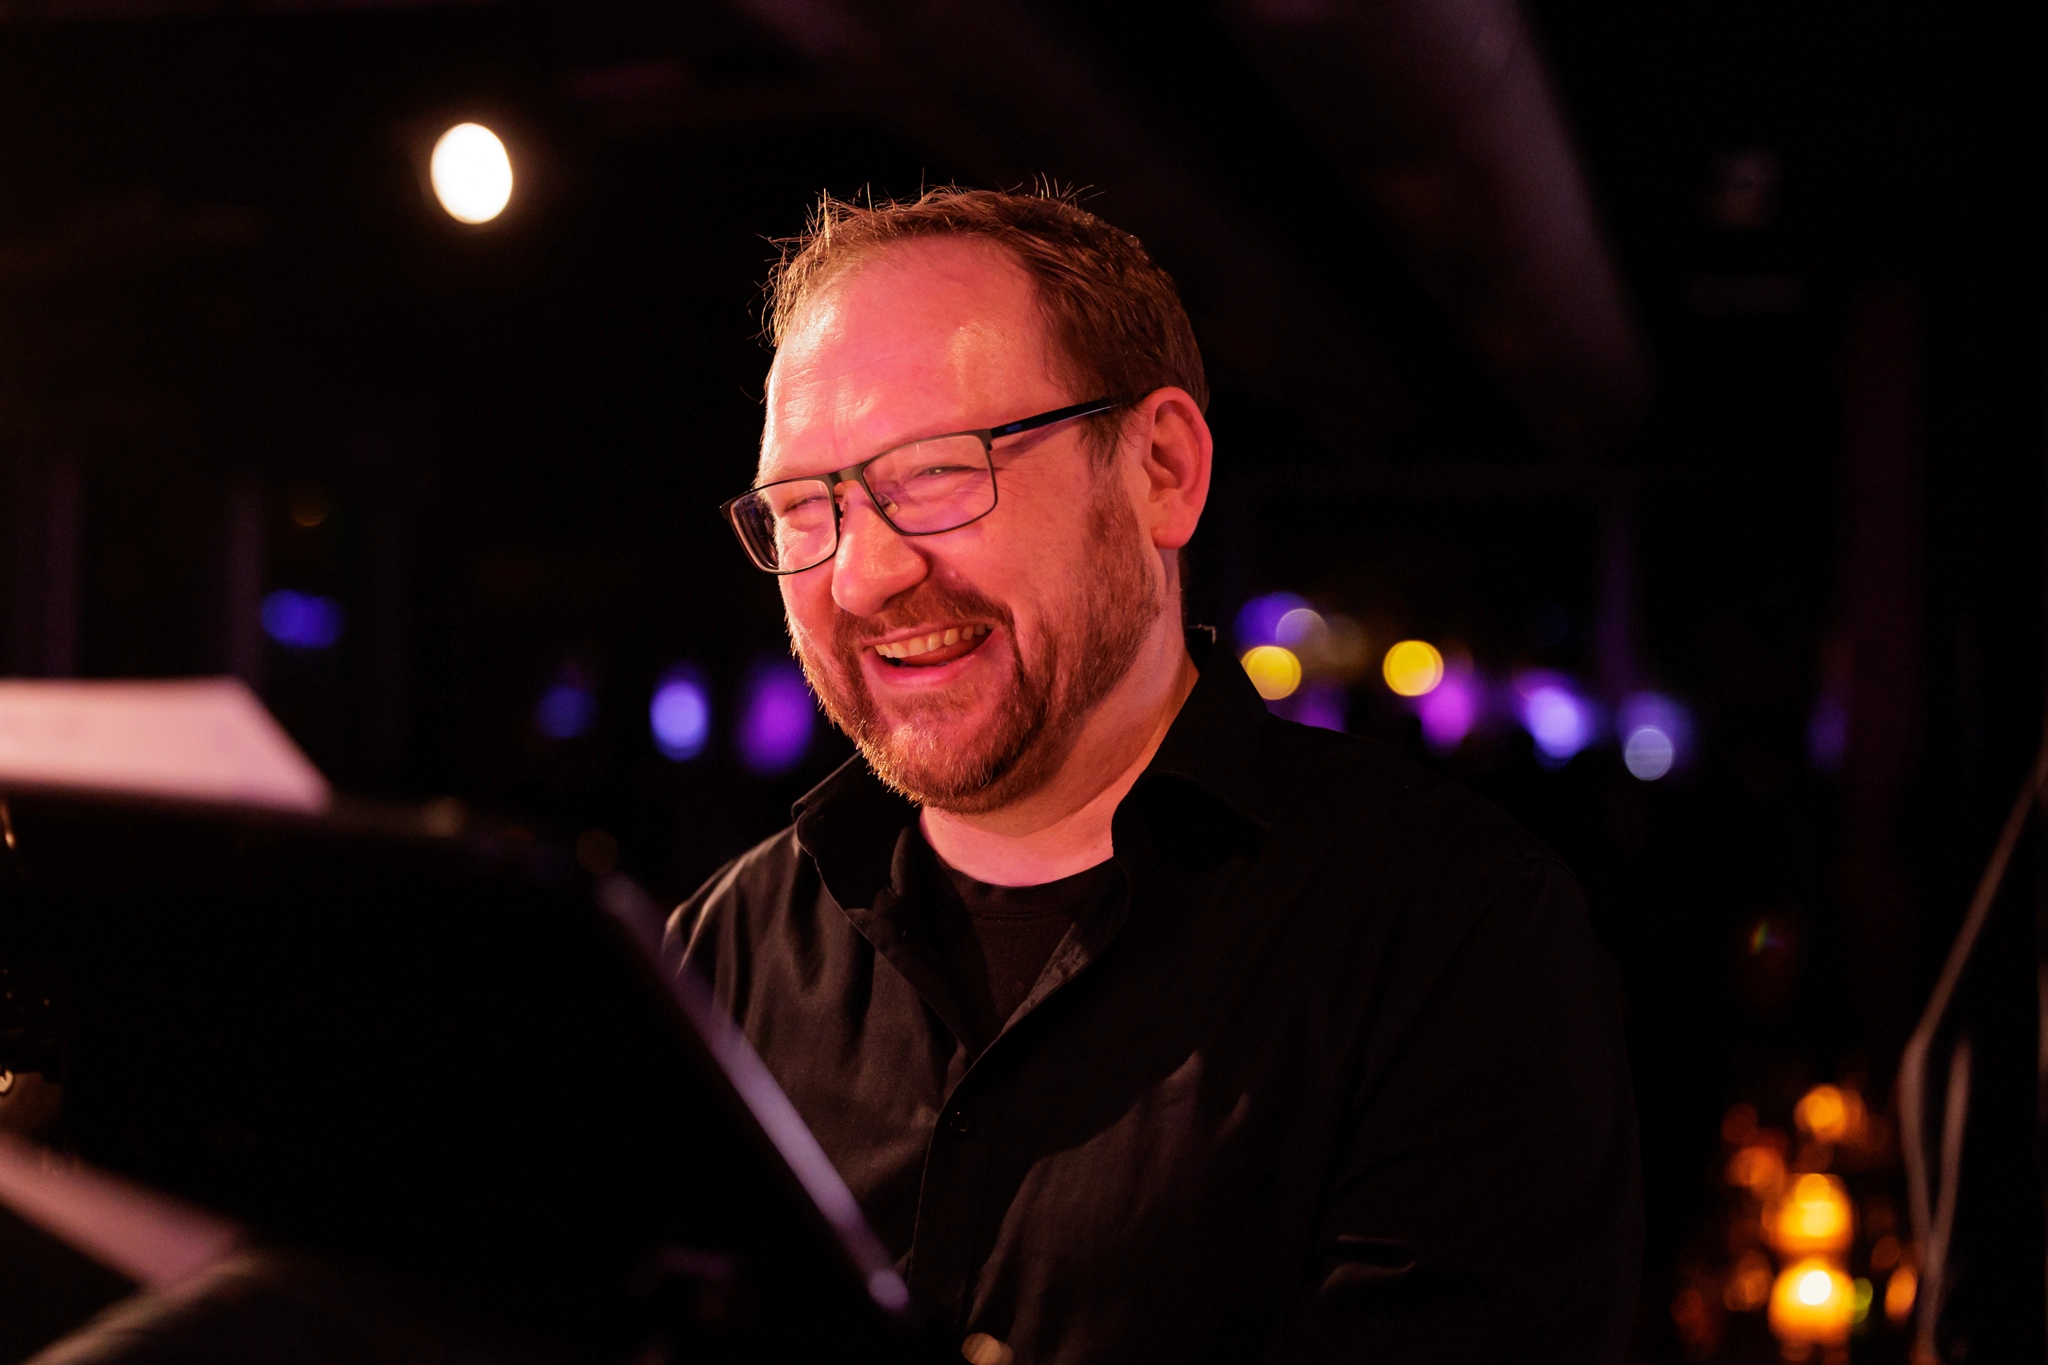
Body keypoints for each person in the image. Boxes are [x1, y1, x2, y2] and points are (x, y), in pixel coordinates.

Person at [672, 187, 1640, 1364]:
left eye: (932, 473)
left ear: (1161, 471)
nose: (862, 575)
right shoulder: (719, 954)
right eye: (801, 507)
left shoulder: (1451, 936)